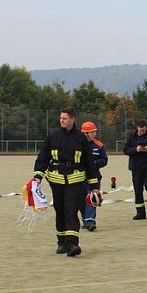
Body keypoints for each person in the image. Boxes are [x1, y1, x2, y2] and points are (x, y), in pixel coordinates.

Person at [32, 107, 100, 257]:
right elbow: (43, 158)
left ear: (73, 119)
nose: (61, 120)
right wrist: (37, 177)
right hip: (56, 181)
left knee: (71, 211)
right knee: (60, 211)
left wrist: (94, 186)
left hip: (75, 181)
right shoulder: (53, 136)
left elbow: (89, 162)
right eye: (61, 118)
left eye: (65, 118)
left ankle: (72, 245)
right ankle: (61, 242)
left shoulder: (81, 138)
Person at [124, 119, 147, 220]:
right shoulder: (132, 138)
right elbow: (125, 150)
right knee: (138, 190)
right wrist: (136, 149)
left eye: (143, 131)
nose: (141, 132)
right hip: (136, 168)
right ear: (137, 128)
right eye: (140, 131)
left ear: (146, 128)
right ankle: (140, 212)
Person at [79, 121, 107, 232]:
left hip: (95, 177)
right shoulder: (77, 144)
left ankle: (90, 222)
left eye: (94, 132)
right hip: (80, 177)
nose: (94, 134)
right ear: (85, 133)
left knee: (92, 198)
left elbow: (104, 160)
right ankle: (85, 220)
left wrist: (94, 163)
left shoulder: (99, 145)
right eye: (91, 132)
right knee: (81, 200)